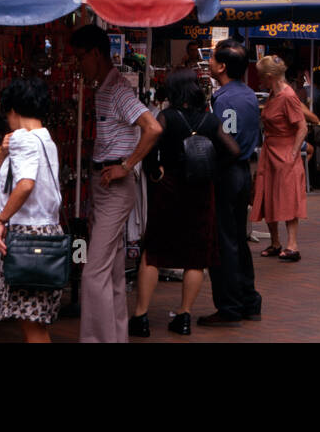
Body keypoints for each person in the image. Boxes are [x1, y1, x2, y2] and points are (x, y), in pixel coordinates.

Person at [71, 24, 162, 343]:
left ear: (95, 54)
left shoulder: (118, 89)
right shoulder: (106, 87)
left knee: (93, 270)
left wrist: (126, 165)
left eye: (80, 57)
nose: (78, 65)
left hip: (114, 183)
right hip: (105, 182)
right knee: (107, 270)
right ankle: (114, 336)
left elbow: (152, 127)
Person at [129, 70, 238, 337]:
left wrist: (155, 171)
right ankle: (184, 315)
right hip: (201, 191)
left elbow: (150, 149)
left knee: (153, 252)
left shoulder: (166, 117)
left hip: (168, 190)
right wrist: (213, 169)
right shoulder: (211, 120)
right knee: (195, 257)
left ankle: (141, 316)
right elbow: (233, 151)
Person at [0, 78, 63, 344]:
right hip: (48, 235)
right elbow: (6, 181)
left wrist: (1, 219)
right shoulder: (46, 139)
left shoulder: (24, 139)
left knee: (31, 325)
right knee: (35, 321)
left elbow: (24, 185)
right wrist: (2, 153)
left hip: (27, 238)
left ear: (13, 110)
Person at [199, 39, 262, 326]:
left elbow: (227, 141)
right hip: (242, 173)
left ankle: (229, 305)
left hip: (227, 173)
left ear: (222, 66)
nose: (208, 62)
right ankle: (248, 299)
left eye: (212, 59)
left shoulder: (225, 99)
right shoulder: (248, 94)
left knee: (224, 241)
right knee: (237, 238)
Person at [250, 56, 309, 261]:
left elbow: (302, 127)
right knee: (268, 194)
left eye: (260, 76)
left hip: (284, 150)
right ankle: (275, 242)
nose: (258, 80)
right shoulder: (272, 93)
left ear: (269, 76)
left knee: (288, 195)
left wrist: (293, 153)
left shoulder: (287, 95)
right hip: (270, 149)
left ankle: (292, 245)